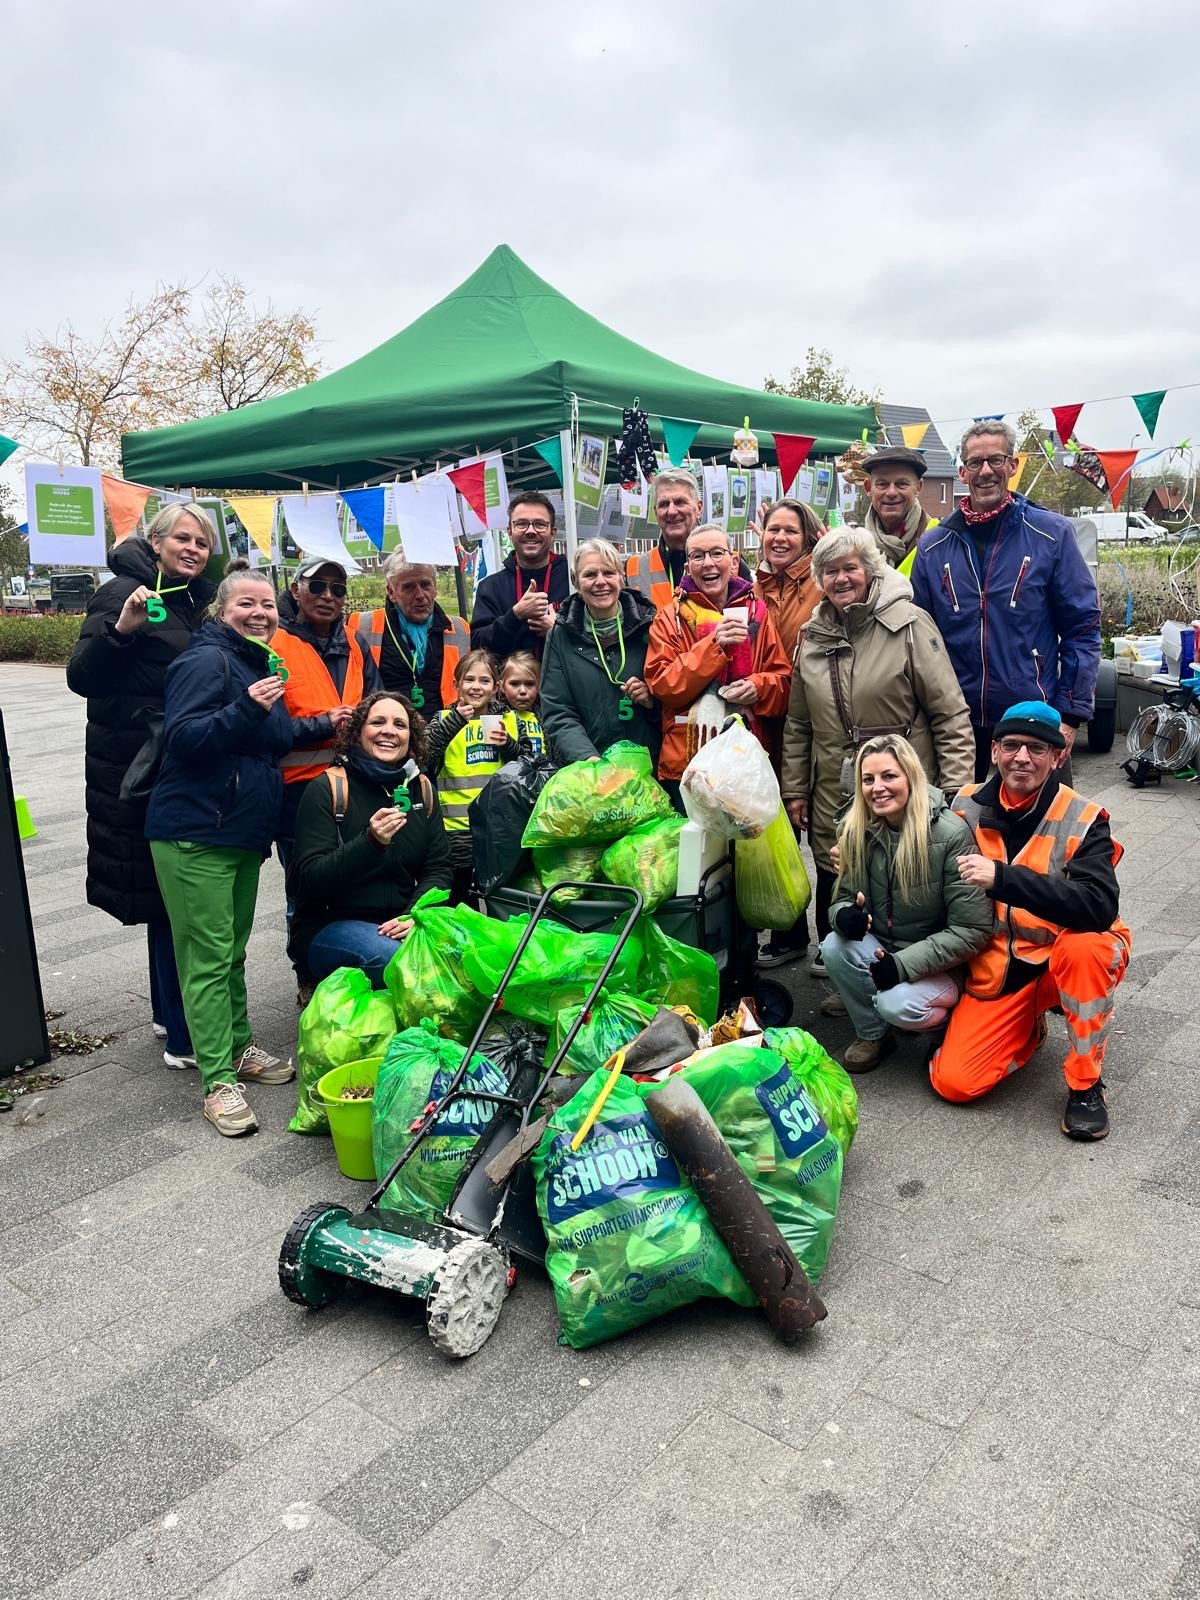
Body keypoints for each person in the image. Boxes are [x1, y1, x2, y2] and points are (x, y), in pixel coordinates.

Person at [930, 701, 1131, 1141]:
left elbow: (1099, 907)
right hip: (999, 968)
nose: (1023, 757)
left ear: (1058, 757)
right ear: (995, 750)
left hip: (1068, 960)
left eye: (1038, 748)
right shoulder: (962, 804)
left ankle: (1085, 1085)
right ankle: (1027, 1028)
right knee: (955, 1083)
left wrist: (1003, 879)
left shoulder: (1084, 817)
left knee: (1087, 947)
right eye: (1013, 745)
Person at [145, 561, 295, 1139]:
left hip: (237, 830)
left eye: (268, 606)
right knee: (206, 957)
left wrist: (328, 725)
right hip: (193, 831)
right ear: (221, 611)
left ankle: (237, 1048)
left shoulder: (257, 663)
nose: (260, 614)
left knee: (229, 951)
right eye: (246, 605)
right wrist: (245, 708)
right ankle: (216, 1081)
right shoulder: (206, 659)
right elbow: (184, 738)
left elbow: (269, 740)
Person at [781, 529, 974, 975]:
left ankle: (917, 979)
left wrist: (957, 791)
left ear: (870, 570)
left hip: (903, 784)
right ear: (820, 578)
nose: (842, 578)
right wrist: (795, 790)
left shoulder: (908, 623)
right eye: (830, 571)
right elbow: (799, 723)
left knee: (907, 880)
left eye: (850, 567)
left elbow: (949, 714)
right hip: (835, 784)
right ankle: (849, 982)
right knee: (839, 876)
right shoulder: (811, 637)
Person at [66, 504, 217, 1071]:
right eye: (182, 538)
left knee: (165, 901)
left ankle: (168, 1015)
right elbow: (82, 676)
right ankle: (187, 1034)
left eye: (201, 542)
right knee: (179, 901)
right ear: (155, 542)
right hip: (140, 770)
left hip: (170, 766)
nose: (193, 549)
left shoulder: (194, 597)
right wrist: (121, 630)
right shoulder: (123, 592)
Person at [911, 421, 1101, 781]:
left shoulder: (1051, 535)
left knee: (1043, 831)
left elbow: (1083, 629)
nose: (985, 471)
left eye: (995, 460)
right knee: (961, 832)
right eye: (975, 462)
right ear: (961, 471)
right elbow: (919, 641)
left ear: (1013, 466)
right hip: (957, 727)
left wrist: (1070, 715)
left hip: (1032, 722)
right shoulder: (933, 546)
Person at [819, 735, 992, 1071]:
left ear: (911, 776)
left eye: (889, 776)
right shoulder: (856, 828)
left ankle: (947, 1028)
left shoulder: (949, 834)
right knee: (833, 946)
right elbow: (841, 899)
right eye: (868, 780)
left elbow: (972, 929)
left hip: (941, 963)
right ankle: (874, 1034)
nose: (877, 788)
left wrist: (902, 966)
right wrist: (844, 916)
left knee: (897, 1004)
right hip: (885, 950)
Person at [289, 692, 453, 987]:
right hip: (328, 926)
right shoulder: (328, 788)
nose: (389, 730)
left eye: (399, 725)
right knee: (395, 959)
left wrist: (416, 915)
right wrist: (371, 843)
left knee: (466, 954)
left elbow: (438, 867)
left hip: (399, 919)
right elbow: (306, 881)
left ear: (411, 738)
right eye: (377, 722)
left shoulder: (422, 788)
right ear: (358, 732)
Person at [644, 525, 791, 799]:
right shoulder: (670, 617)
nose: (708, 563)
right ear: (688, 567)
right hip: (688, 765)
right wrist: (713, 645)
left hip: (747, 759)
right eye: (698, 556)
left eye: (716, 553)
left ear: (733, 562)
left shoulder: (757, 612)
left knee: (747, 843)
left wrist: (758, 687)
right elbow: (663, 686)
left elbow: (783, 683)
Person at [753, 497, 825, 967]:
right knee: (773, 831)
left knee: (821, 827)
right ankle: (788, 934)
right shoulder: (750, 588)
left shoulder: (821, 584)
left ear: (808, 537)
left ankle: (835, 937)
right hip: (763, 722)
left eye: (790, 531)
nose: (779, 538)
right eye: (772, 529)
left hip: (813, 722)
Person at [273, 557, 382, 867]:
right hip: (298, 793)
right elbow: (265, 728)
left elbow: (376, 700)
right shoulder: (274, 644)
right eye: (318, 586)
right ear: (295, 590)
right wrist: (324, 724)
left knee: (354, 877)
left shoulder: (354, 641)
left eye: (338, 589)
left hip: (354, 784)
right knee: (306, 885)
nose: (328, 596)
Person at [540, 538, 659, 764]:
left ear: (621, 577)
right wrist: (588, 759)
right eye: (590, 575)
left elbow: (675, 694)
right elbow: (558, 711)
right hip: (589, 772)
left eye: (608, 573)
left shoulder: (651, 626)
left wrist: (652, 700)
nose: (601, 582)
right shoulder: (559, 635)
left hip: (647, 767)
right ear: (576, 582)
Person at [425, 649, 519, 903]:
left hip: (498, 829)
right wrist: (454, 721)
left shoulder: (509, 720)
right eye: (469, 679)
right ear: (456, 684)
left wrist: (509, 745)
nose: (476, 687)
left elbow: (528, 767)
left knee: (498, 900)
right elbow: (424, 760)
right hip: (456, 831)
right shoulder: (443, 719)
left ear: (497, 686)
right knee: (460, 899)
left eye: (484, 680)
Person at [349, 557, 469, 716]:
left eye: (425, 585)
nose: (420, 595)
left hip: (449, 733)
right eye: (409, 587)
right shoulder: (360, 626)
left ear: (435, 588)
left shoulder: (461, 629)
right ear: (391, 592)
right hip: (389, 734)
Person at [626, 469, 751, 609]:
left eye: (680, 502)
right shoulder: (633, 569)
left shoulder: (733, 563)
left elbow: (754, 617)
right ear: (656, 512)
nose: (671, 511)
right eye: (664, 504)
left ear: (699, 508)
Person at [469, 491, 571, 659]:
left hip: (565, 684)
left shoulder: (573, 580)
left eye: (539, 524)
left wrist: (558, 631)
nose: (530, 531)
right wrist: (515, 615)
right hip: (510, 684)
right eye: (522, 524)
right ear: (510, 532)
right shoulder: (491, 587)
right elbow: (478, 646)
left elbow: (597, 636)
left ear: (552, 532)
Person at [860, 447, 938, 575]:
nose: (891, 492)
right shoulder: (856, 546)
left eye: (901, 484)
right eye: (882, 484)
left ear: (918, 488)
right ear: (868, 488)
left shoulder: (939, 539)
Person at [498, 651, 545, 754]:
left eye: (529, 684)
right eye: (514, 684)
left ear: (538, 687)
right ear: (502, 686)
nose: (523, 691)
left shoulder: (546, 718)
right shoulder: (497, 718)